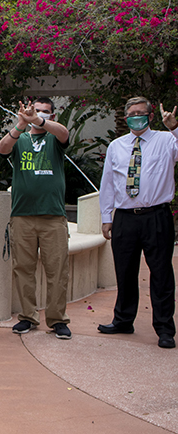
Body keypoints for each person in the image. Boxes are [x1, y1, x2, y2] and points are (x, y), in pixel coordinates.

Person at [98, 97, 178, 349]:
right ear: (125, 118)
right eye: (132, 114)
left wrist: (174, 127)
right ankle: (123, 319)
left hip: (157, 216)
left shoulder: (167, 141)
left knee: (162, 274)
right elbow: (108, 183)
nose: (136, 117)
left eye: (141, 113)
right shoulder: (116, 146)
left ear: (151, 116)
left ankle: (165, 328)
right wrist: (106, 217)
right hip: (124, 218)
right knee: (124, 271)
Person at [0, 98, 72, 339]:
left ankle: (57, 320)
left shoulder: (55, 138)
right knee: (23, 269)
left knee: (57, 271)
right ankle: (28, 317)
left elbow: (64, 133)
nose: (40, 115)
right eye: (37, 111)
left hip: (53, 217)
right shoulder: (21, 138)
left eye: (45, 112)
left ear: (51, 114)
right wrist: (21, 124)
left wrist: (38, 120)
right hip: (22, 216)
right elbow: (2, 148)